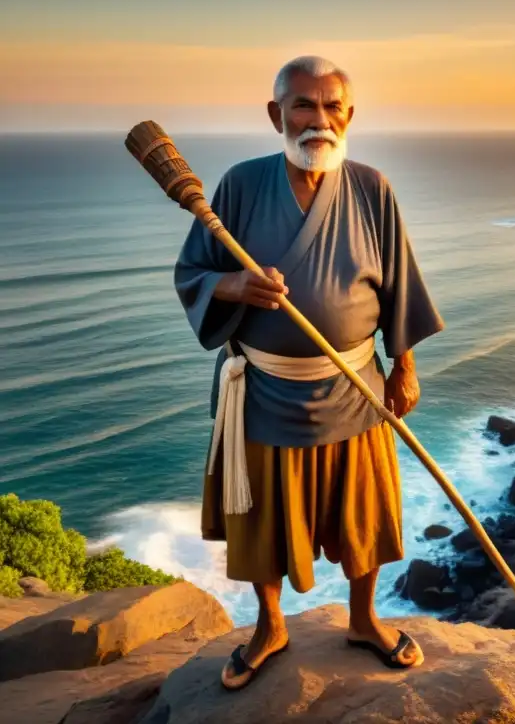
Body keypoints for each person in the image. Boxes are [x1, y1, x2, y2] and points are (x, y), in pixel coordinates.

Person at [173, 55, 444, 690]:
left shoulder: (373, 188)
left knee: (365, 517)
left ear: (349, 115)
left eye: (332, 107)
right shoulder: (239, 186)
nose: (318, 120)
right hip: (263, 389)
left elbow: (400, 284)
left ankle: (363, 620)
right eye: (303, 105)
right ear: (276, 114)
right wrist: (236, 284)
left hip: (355, 389)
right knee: (264, 519)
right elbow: (192, 272)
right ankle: (270, 627)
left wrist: (403, 368)